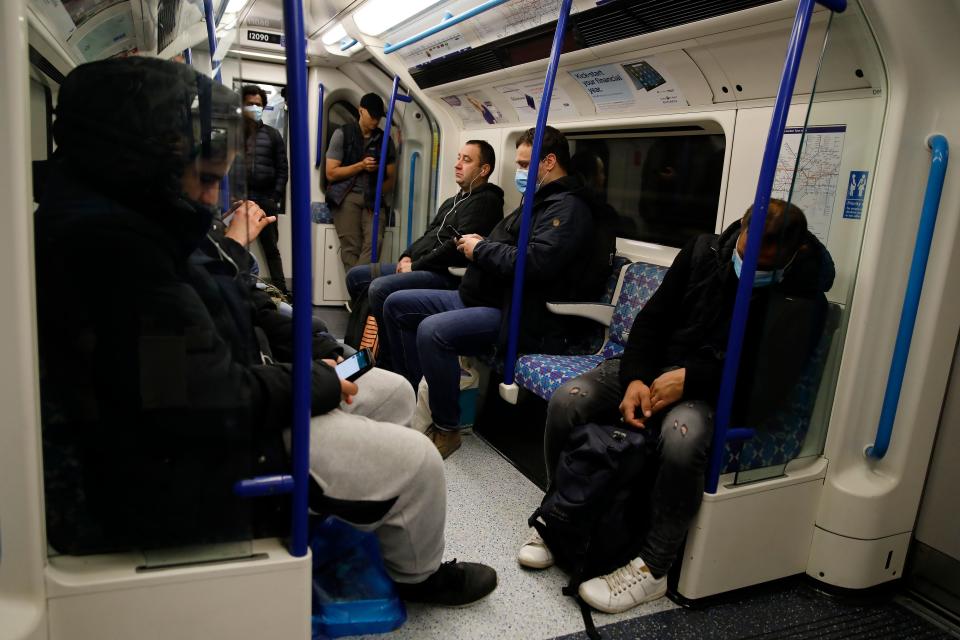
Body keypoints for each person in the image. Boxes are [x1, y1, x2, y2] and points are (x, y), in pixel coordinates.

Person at [35, 57, 496, 606]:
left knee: (391, 387)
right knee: (419, 463)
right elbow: (198, 402)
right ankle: (418, 577)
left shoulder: (144, 220)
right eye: (206, 179)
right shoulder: (114, 254)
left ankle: (353, 507)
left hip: (236, 390)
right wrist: (313, 382)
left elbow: (236, 307)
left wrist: (321, 354)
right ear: (145, 163)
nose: (213, 197)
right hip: (200, 457)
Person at [517, 199, 835, 613]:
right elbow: (652, 322)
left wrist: (692, 380)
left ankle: (653, 567)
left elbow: (764, 386)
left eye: (765, 262)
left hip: (717, 391)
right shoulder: (703, 253)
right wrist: (635, 379)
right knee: (569, 400)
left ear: (795, 253)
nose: (751, 266)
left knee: (682, 438)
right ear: (740, 230)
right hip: (652, 367)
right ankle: (561, 520)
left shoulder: (801, 303)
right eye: (746, 251)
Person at [381, 126, 617, 459]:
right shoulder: (536, 201)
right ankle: (418, 400)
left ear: (548, 162)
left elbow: (535, 262)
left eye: (524, 164)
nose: (520, 172)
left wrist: (480, 250)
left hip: (520, 312)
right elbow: (509, 246)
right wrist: (484, 246)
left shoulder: (567, 209)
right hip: (483, 296)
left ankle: (447, 428)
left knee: (432, 331)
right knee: (396, 305)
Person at [344, 140, 504, 369]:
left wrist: (416, 266)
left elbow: (455, 248)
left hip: (445, 275)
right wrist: (406, 255)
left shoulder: (486, 202)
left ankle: (389, 361)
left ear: (484, 169)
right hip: (421, 264)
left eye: (466, 160)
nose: (457, 164)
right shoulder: (453, 201)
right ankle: (371, 346)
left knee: (379, 288)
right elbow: (429, 234)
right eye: (458, 158)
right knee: (356, 276)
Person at [325, 93, 397, 271]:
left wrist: (378, 188)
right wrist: (361, 166)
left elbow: (391, 178)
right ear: (360, 111)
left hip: (372, 196)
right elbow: (331, 173)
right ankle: (360, 294)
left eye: (378, 117)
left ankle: (358, 289)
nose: (375, 120)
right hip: (346, 196)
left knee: (375, 242)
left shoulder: (384, 140)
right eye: (371, 115)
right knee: (351, 247)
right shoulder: (342, 134)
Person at [241, 84, 289, 296]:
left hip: (266, 199)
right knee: (237, 244)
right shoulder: (234, 134)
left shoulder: (272, 135)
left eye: (258, 105)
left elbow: (282, 169)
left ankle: (281, 292)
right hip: (240, 199)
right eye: (249, 104)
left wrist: (274, 197)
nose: (254, 108)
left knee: (271, 249)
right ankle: (238, 288)